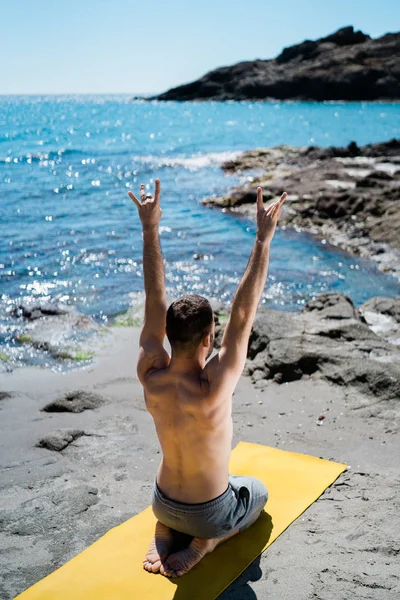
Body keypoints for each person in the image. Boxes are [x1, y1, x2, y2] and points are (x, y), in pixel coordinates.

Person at [128, 179, 286, 578]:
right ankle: (207, 541)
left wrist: (150, 228)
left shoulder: (150, 372)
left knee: (213, 479)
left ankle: (167, 526)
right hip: (208, 513)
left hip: (161, 499)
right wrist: (262, 240)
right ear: (208, 338)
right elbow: (244, 316)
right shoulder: (213, 387)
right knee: (257, 491)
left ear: (167, 334)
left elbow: (154, 296)